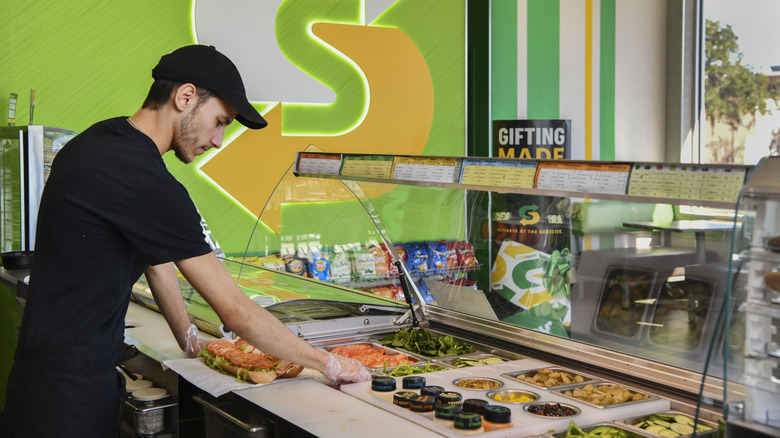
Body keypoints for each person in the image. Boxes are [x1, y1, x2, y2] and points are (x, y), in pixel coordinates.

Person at [1, 45, 371, 438]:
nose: (218, 140)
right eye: (219, 121)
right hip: (69, 394)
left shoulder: (100, 140)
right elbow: (236, 313)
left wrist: (188, 338)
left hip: (46, 372)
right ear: (185, 97)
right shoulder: (146, 180)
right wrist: (329, 363)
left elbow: (154, 260)